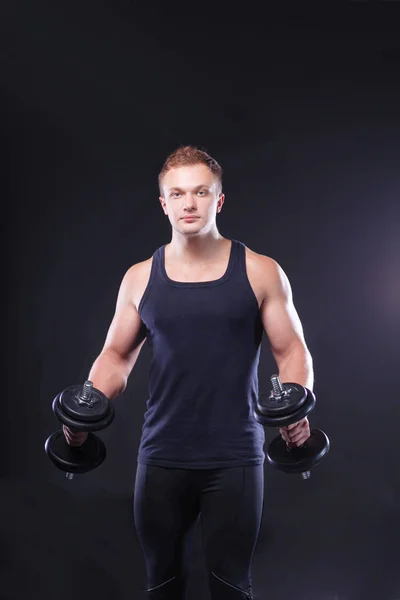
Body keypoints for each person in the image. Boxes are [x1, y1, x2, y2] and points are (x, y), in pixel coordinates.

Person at [63, 146, 313, 599]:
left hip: (235, 455)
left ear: (218, 200)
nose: (189, 204)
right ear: (163, 203)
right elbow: (115, 357)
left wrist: (294, 404)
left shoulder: (259, 271)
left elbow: (291, 348)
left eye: (200, 192)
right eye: (177, 194)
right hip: (161, 454)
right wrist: (83, 411)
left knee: (230, 586)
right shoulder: (140, 277)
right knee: (162, 583)